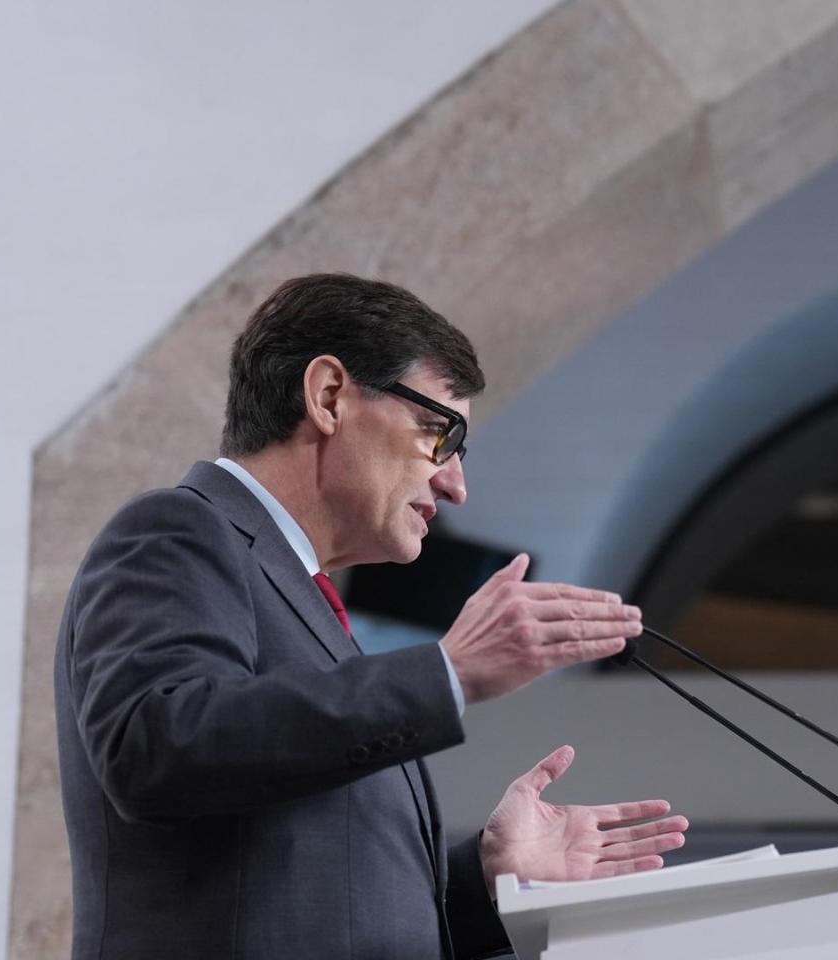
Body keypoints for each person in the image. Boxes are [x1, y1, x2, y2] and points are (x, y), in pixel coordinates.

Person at [53, 274, 687, 959]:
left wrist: (488, 880)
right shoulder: (178, 531)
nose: (456, 484)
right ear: (328, 397)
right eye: (438, 433)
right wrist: (447, 673)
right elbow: (156, 748)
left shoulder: (310, 609)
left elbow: (334, 906)